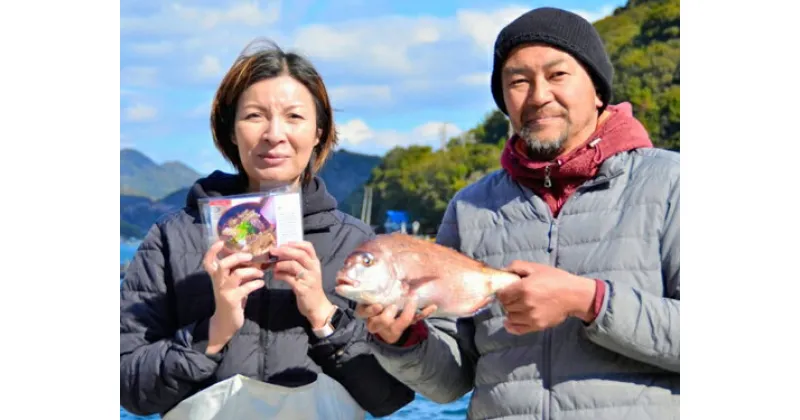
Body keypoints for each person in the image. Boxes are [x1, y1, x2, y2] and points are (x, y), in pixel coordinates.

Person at [357, 7, 679, 420]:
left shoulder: (672, 182)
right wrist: (403, 339)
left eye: (558, 75)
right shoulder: (472, 207)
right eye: (518, 81)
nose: (539, 94)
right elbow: (449, 384)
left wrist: (590, 301)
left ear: (598, 89)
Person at [119, 39, 415, 418]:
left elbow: (392, 396)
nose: (274, 134)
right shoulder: (172, 238)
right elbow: (129, 389)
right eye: (255, 116)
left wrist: (325, 318)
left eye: (294, 117)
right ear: (230, 131)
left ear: (319, 132)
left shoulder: (359, 245)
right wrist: (212, 332)